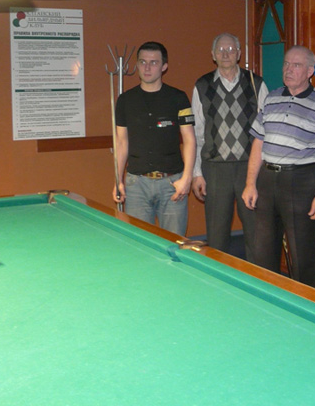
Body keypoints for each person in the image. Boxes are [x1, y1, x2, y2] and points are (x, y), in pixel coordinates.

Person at [242, 46, 315, 287]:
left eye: (296, 65)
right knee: (263, 252)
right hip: (267, 180)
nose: (288, 69)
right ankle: (267, 302)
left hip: (301, 181)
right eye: (286, 64)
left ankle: (305, 303)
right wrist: (250, 184)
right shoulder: (271, 98)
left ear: (310, 71)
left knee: (302, 255)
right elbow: (258, 143)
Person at [190, 33, 268, 260]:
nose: (226, 54)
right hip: (215, 169)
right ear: (213, 55)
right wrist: (196, 173)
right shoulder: (202, 85)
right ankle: (218, 275)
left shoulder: (256, 84)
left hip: (249, 168)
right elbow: (196, 133)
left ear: (239, 54)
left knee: (255, 230)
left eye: (231, 49)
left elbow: (267, 130)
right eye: (221, 50)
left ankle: (256, 276)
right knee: (216, 234)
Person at [114, 41, 196, 236]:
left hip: (172, 184)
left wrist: (187, 178)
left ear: (164, 66)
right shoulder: (125, 100)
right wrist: (118, 180)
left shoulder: (178, 98)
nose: (147, 67)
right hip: (137, 185)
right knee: (139, 243)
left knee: (174, 243)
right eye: (143, 62)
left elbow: (189, 140)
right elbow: (121, 142)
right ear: (137, 65)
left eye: (153, 62)